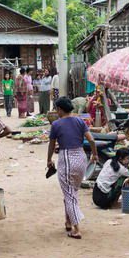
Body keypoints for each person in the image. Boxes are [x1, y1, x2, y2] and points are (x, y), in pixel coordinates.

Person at [47, 96, 98, 240]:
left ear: (60, 109)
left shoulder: (56, 124)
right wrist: (94, 154)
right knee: (71, 192)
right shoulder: (79, 121)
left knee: (70, 195)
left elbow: (51, 145)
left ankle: (76, 229)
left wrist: (49, 160)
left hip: (67, 158)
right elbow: (91, 139)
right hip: (81, 157)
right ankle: (68, 221)